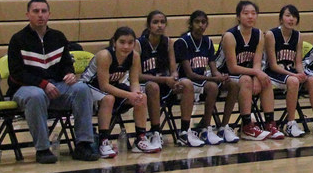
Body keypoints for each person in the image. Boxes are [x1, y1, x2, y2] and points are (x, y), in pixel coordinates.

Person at [6, 0, 101, 163]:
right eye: (36, 11)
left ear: (49, 14)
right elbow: (16, 73)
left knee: (82, 89)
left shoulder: (58, 37)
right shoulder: (18, 39)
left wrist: (69, 74)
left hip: (56, 86)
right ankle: (42, 149)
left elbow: (66, 64)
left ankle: (83, 145)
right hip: (26, 88)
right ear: (28, 15)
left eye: (44, 11)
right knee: (36, 95)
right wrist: (43, 84)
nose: (40, 15)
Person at [81, 26, 157, 157]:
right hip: (88, 87)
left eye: (130, 42)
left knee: (142, 97)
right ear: (114, 42)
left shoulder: (134, 56)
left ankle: (140, 139)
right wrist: (129, 95)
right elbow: (104, 86)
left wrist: (136, 94)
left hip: (111, 87)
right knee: (108, 99)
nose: (126, 46)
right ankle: (103, 141)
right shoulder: (105, 55)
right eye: (122, 42)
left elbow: (134, 81)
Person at [218, 0, 284, 141]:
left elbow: (257, 63)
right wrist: (256, 73)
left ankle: (270, 124)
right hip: (223, 74)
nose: (250, 16)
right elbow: (232, 67)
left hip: (246, 73)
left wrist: (257, 76)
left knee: (265, 80)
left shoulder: (259, 34)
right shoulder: (230, 36)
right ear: (238, 16)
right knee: (247, 80)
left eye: (253, 13)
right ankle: (247, 127)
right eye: (246, 13)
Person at [138, 10, 203, 147]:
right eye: (155, 22)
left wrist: (174, 79)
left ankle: (184, 131)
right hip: (144, 86)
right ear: (149, 25)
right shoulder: (139, 44)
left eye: (162, 22)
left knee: (187, 83)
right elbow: (138, 76)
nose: (159, 25)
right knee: (153, 86)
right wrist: (165, 80)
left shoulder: (168, 43)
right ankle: (156, 132)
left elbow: (173, 70)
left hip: (164, 83)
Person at [174, 9, 233, 144]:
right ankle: (184, 131)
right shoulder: (183, 42)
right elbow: (189, 74)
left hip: (201, 80)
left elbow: (213, 69)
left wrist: (221, 77)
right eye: (197, 22)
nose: (200, 25)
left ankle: (206, 128)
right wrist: (213, 78)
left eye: (203, 22)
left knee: (216, 87)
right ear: (191, 24)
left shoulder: (208, 41)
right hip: (184, 80)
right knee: (208, 84)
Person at [264, 4, 313, 137]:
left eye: (294, 16)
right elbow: (273, 65)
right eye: (288, 15)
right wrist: (294, 75)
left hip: (289, 71)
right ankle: (290, 123)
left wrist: (302, 74)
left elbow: (298, 62)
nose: (291, 19)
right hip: (273, 72)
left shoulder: (298, 35)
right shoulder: (271, 34)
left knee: (312, 81)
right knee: (294, 81)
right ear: (281, 19)